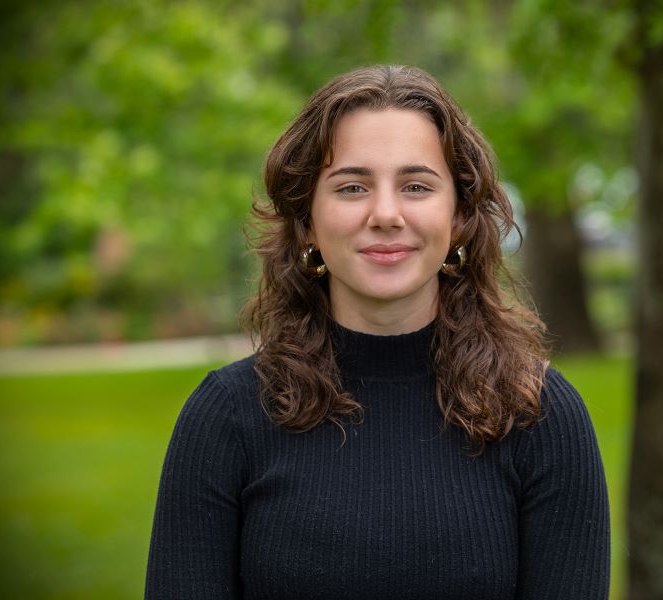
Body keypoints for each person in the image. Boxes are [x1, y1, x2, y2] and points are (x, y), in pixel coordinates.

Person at [145, 64, 609, 599]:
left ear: (458, 216)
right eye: (351, 187)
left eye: (416, 186)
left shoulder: (540, 417)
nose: (386, 214)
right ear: (307, 223)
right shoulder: (226, 418)